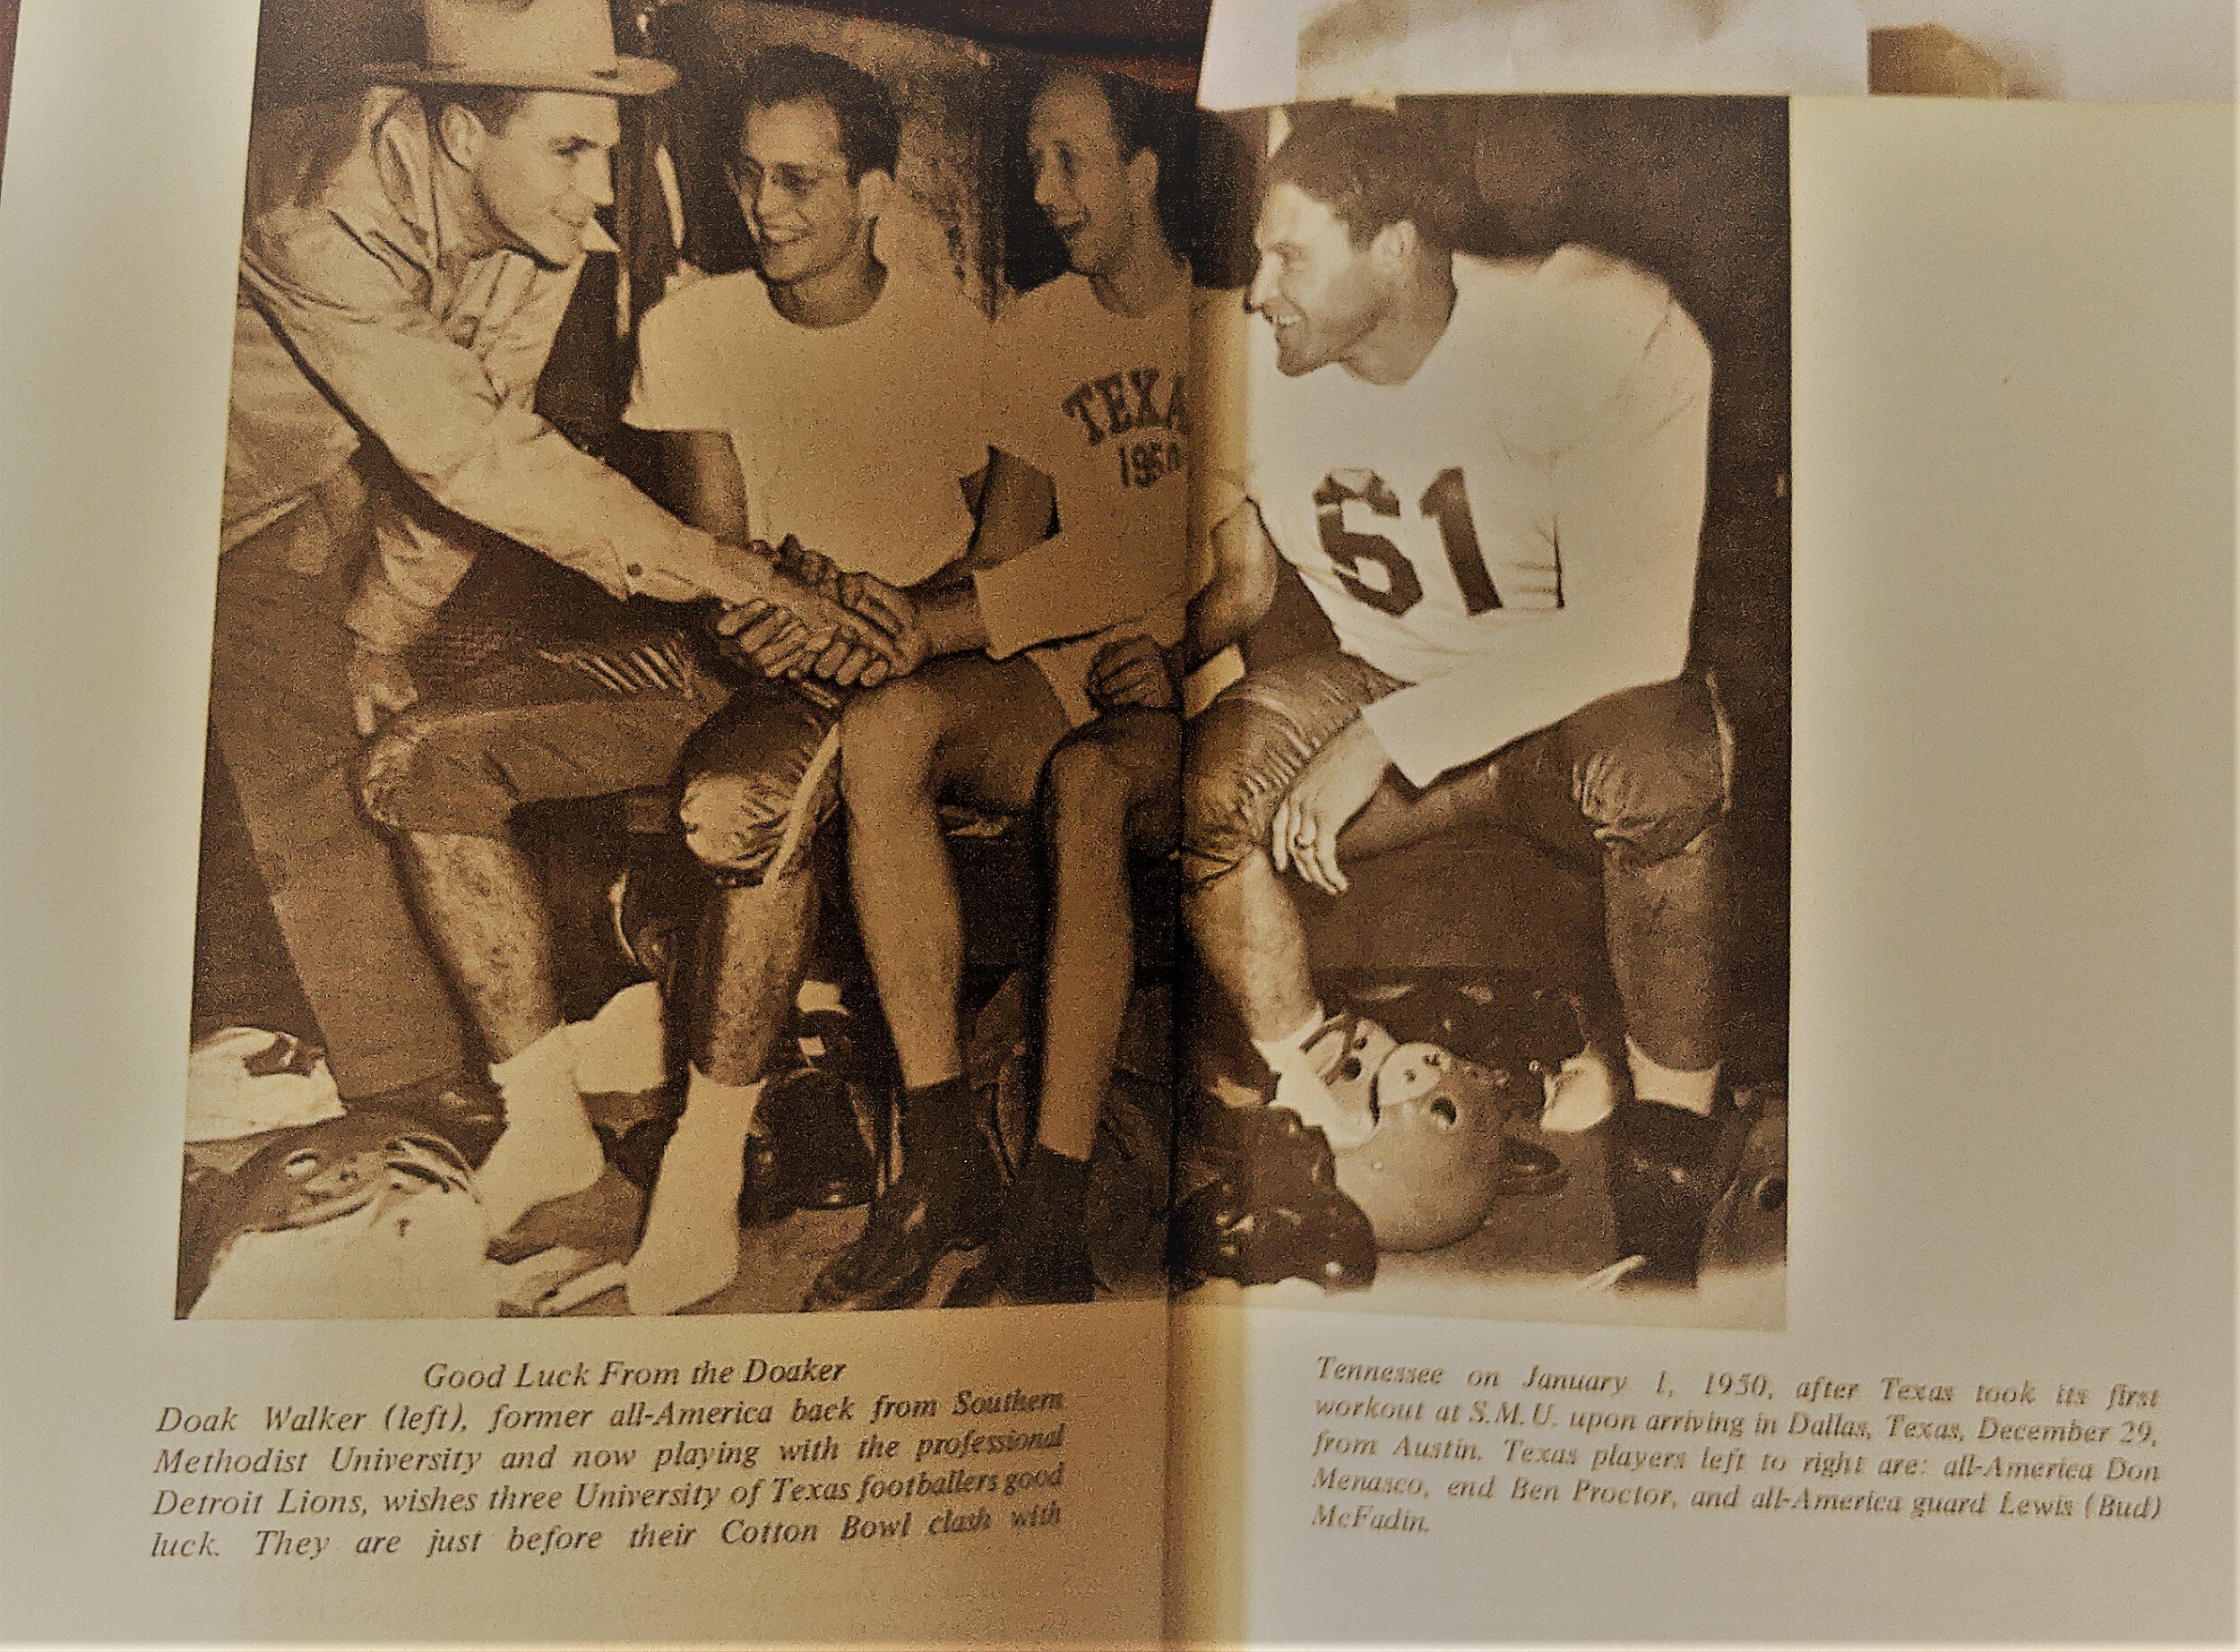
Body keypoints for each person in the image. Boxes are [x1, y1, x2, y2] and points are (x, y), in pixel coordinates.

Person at [361, 45, 987, 1316]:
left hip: (874, 678)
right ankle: (544, 1120)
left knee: (733, 806)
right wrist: (762, 608)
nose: (766, 207)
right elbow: (722, 551)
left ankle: (700, 1172)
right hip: (731, 642)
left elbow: (1003, 564)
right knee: (415, 760)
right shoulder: (694, 321)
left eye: (802, 180)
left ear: (874, 189)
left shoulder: (959, 340)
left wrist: (891, 626)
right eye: (749, 176)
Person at [211, 0, 871, 1159]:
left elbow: (476, 442)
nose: (599, 191)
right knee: (206, 741)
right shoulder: (309, 208)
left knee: (345, 727)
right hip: (159, 476)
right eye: (571, 151)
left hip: (339, 461)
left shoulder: (539, 227)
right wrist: (735, 575)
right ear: (462, 134)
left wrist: (382, 625)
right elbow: (479, 457)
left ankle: (430, 1103)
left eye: (606, 155)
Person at [1182, 105, 1734, 1287]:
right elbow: (1204, 565)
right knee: (1205, 784)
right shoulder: (1248, 360)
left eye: (1293, 256)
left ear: (1399, 245)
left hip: (1564, 718)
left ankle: (1670, 1182)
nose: (1259, 291)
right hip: (1384, 674)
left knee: (1660, 759)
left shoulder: (1589, 319)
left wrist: (1387, 736)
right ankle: (1318, 1097)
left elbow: (1636, 634)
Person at [806, 67, 1201, 1312]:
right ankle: (938, 1166)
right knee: (885, 728)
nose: (1043, 190)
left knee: (1088, 790)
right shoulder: (1037, 327)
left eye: (1072, 159)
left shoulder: (1244, 321)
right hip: (1060, 665)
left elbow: (1217, 557)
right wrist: (889, 622)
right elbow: (1006, 554)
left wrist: (1186, 648)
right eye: (1034, 161)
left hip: (1199, 687)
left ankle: (1050, 1211)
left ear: (1145, 169)